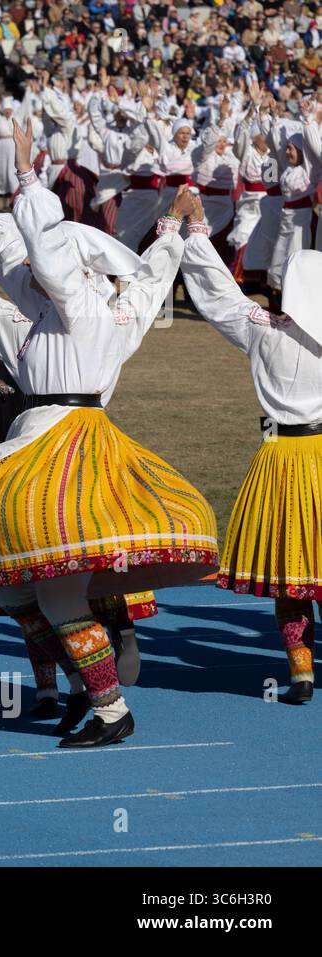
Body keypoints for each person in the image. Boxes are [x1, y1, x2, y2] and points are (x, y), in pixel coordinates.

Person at [0, 121, 219, 747]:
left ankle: (110, 707)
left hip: (66, 448)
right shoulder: (53, 316)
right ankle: (89, 682)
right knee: (20, 587)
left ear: (75, 268)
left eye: (48, 260)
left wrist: (27, 175)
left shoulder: (85, 306)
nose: (33, 268)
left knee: (56, 591)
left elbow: (46, 259)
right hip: (38, 441)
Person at [181, 217, 322, 705]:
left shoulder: (262, 330)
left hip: (280, 458)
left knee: (289, 568)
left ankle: (301, 674)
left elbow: (218, 293)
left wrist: (195, 232)